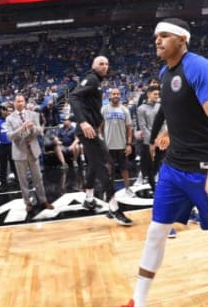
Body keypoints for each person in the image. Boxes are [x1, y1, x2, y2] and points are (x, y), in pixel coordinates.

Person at [100, 18, 208, 307]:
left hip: (204, 170)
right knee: (156, 231)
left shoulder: (198, 66)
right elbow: (183, 115)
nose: (157, 40)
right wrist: (166, 135)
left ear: (182, 39)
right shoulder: (164, 73)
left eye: (164, 35)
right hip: (174, 167)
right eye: (155, 36)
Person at [68, 56, 133, 226]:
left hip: (92, 130)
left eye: (106, 64)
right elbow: (73, 97)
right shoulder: (91, 78)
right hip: (87, 131)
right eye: (101, 64)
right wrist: (83, 122)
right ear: (93, 66)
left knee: (96, 164)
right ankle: (114, 208)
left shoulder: (96, 80)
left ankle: (89, 198)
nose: (105, 67)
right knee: (104, 164)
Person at [5, 94, 54, 214]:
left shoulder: (33, 115)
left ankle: (43, 201)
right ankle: (28, 203)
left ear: (25, 102)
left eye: (22, 101)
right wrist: (21, 128)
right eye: (18, 101)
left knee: (38, 178)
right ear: (14, 103)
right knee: (23, 181)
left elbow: (40, 131)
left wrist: (32, 128)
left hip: (33, 151)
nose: (20, 103)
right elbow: (9, 136)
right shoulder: (9, 118)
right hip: (19, 153)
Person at [101, 88, 134, 196]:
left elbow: (129, 128)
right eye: (113, 94)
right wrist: (102, 142)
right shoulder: (104, 109)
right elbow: (100, 128)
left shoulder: (125, 110)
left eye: (118, 94)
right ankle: (109, 190)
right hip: (109, 146)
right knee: (109, 169)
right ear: (109, 96)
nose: (116, 95)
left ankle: (127, 189)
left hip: (122, 145)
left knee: (124, 169)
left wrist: (129, 144)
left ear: (120, 95)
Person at [136, 85, 164, 192]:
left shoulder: (160, 106)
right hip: (149, 142)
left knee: (160, 164)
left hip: (161, 141)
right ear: (148, 94)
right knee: (150, 165)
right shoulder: (141, 108)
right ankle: (153, 186)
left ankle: (160, 185)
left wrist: (161, 138)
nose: (157, 96)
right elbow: (143, 126)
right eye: (155, 94)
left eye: (158, 94)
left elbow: (164, 124)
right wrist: (152, 140)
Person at [0, 104, 17, 189]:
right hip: (1, 145)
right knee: (3, 163)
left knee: (13, 162)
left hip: (10, 143)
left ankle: (17, 178)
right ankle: (3, 181)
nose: (5, 112)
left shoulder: (10, 119)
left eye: (6, 110)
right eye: (4, 110)